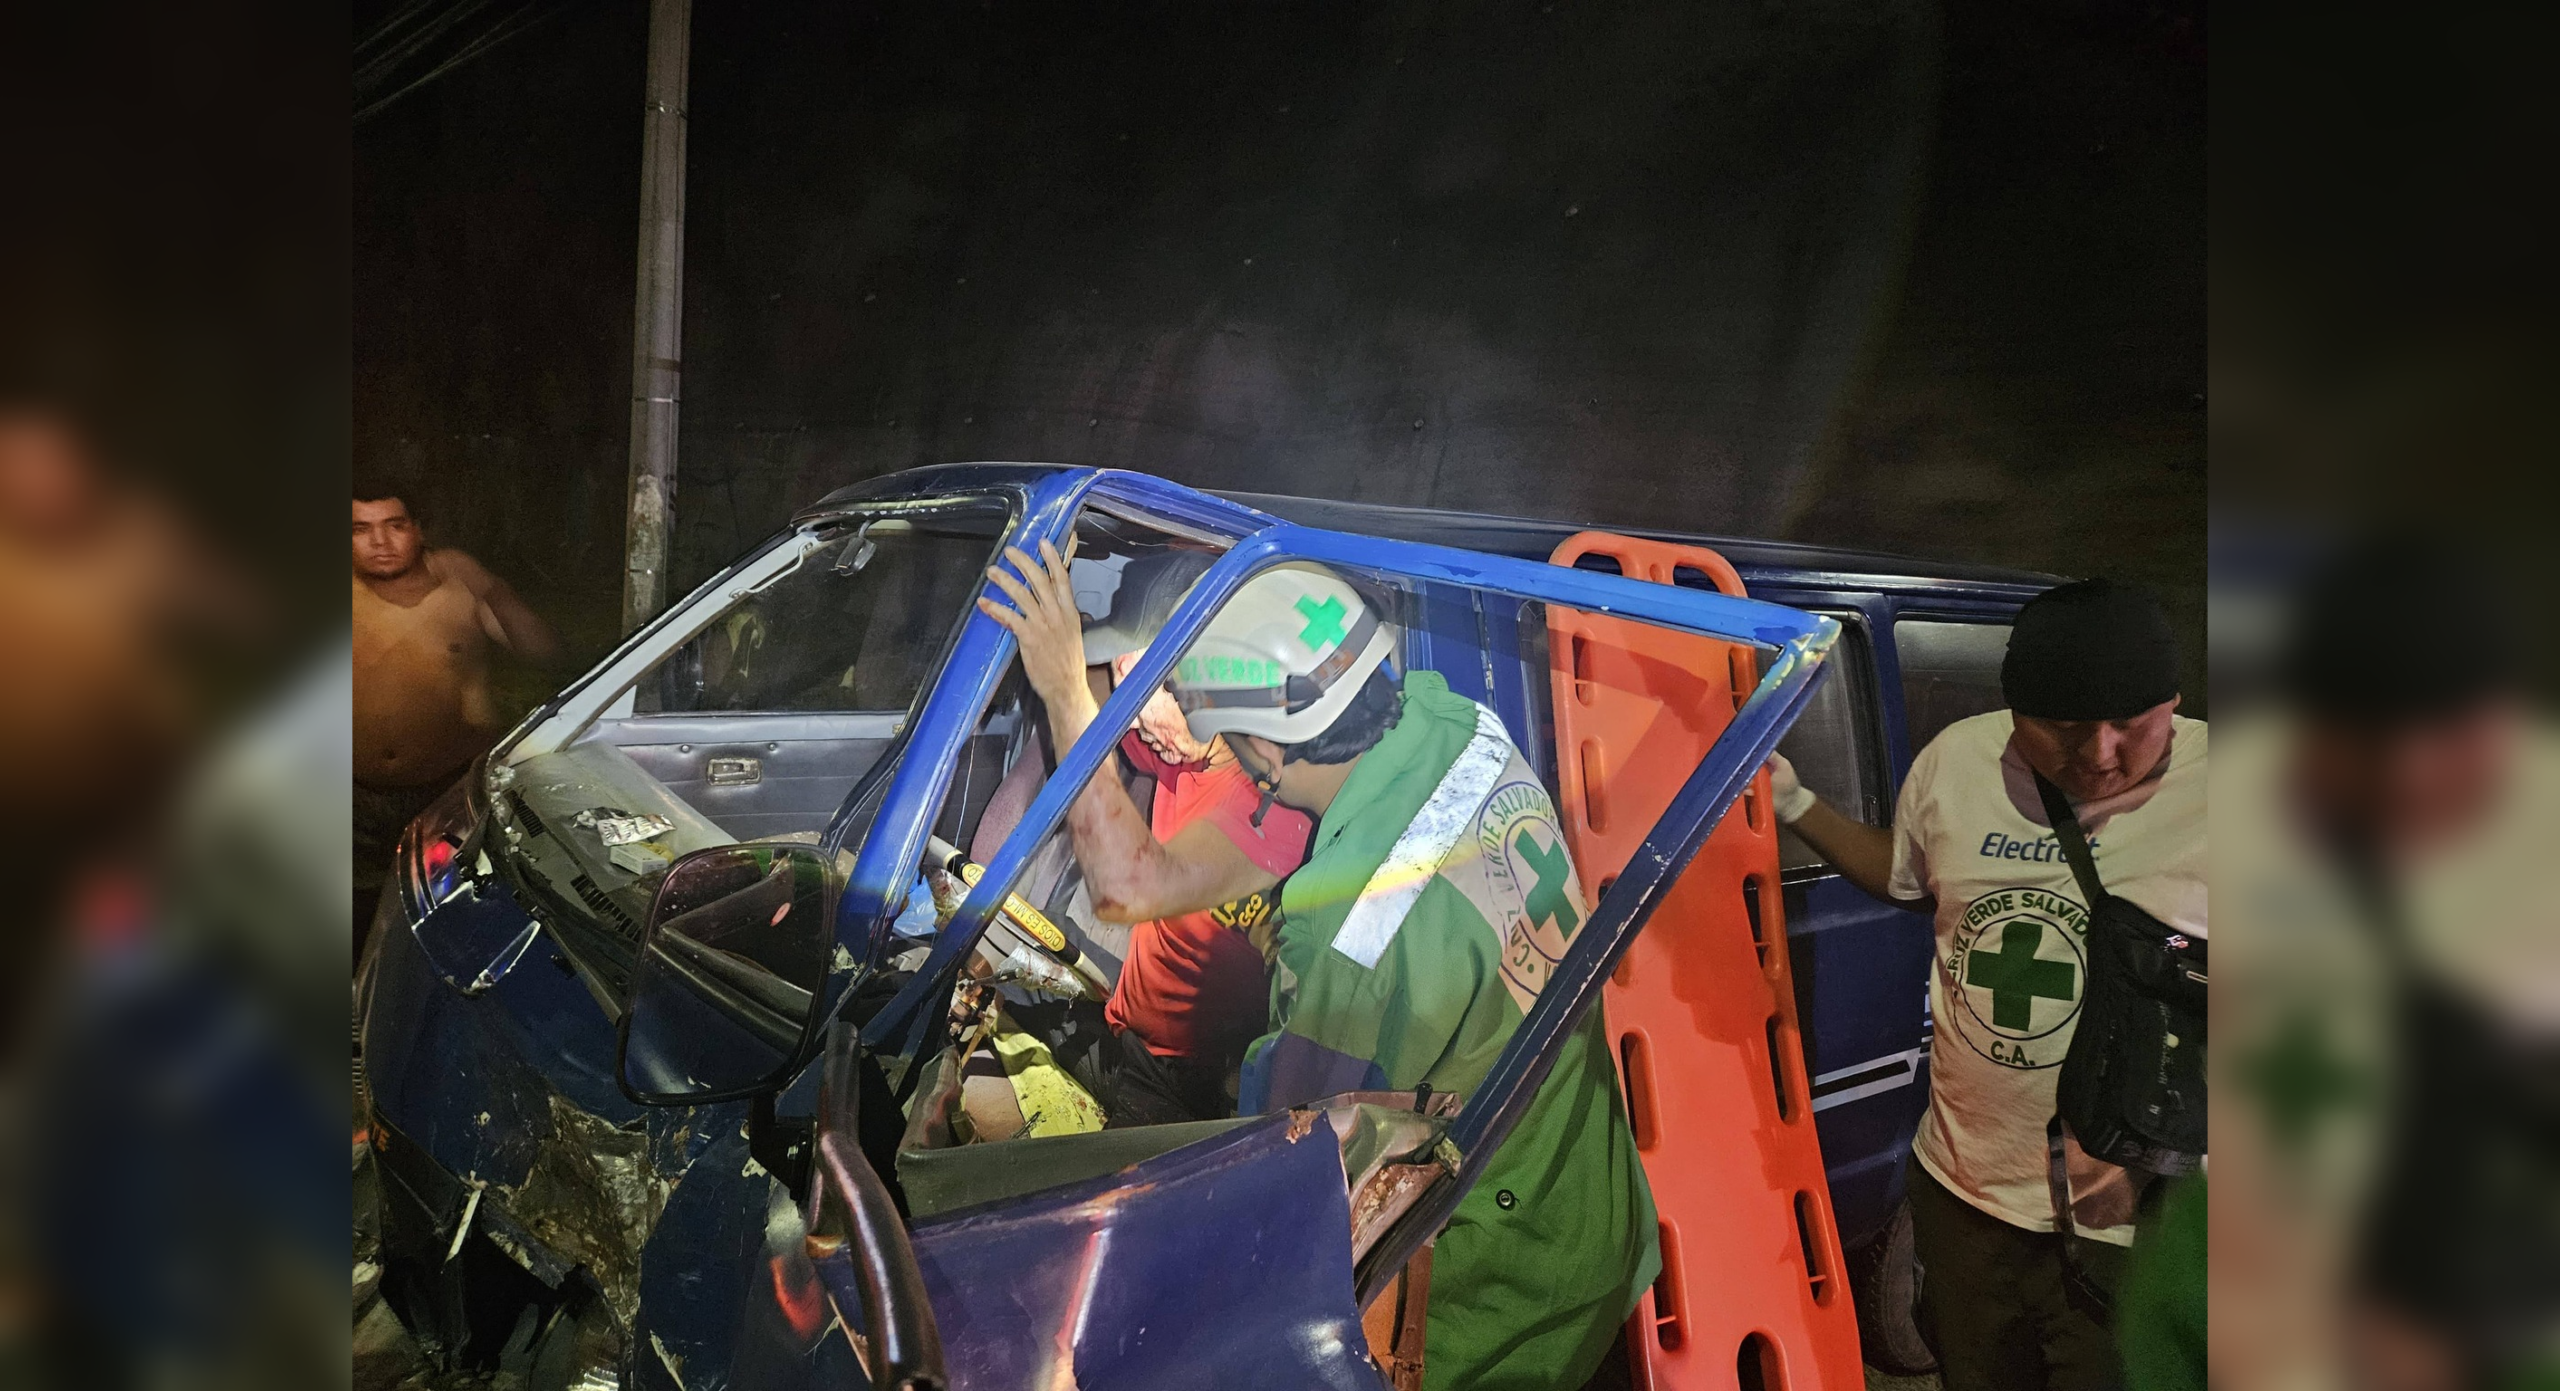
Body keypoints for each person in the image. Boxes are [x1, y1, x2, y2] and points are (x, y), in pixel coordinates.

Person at [1160, 559, 1656, 1391]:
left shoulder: (1349, 931)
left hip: (1500, 1289)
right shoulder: (1455, 719)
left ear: (1265, 750)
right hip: (1585, 1181)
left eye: (1231, 746)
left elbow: (1297, 1157)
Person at [1770, 578, 2205, 1391]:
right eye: (2066, 731)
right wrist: (1795, 801)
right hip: (1966, 1201)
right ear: (2015, 714)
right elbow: (1904, 874)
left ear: (2174, 703)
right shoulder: (1958, 762)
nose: (2103, 754)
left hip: (2137, 1221)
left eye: (2133, 726)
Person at [976, 543, 1312, 1124]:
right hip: (1120, 1030)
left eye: (1150, 687)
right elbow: (1098, 692)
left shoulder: (1271, 816)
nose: (1133, 718)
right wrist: (1069, 642)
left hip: (1187, 1086)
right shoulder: (1183, 752)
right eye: (1129, 678)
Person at [352, 489, 556, 942]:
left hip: (449, 792)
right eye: (360, 529)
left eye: (395, 525)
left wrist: (490, 588)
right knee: (357, 920)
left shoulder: (459, 588)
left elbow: (542, 651)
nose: (380, 541)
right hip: (353, 800)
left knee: (456, 914)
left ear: (419, 530)